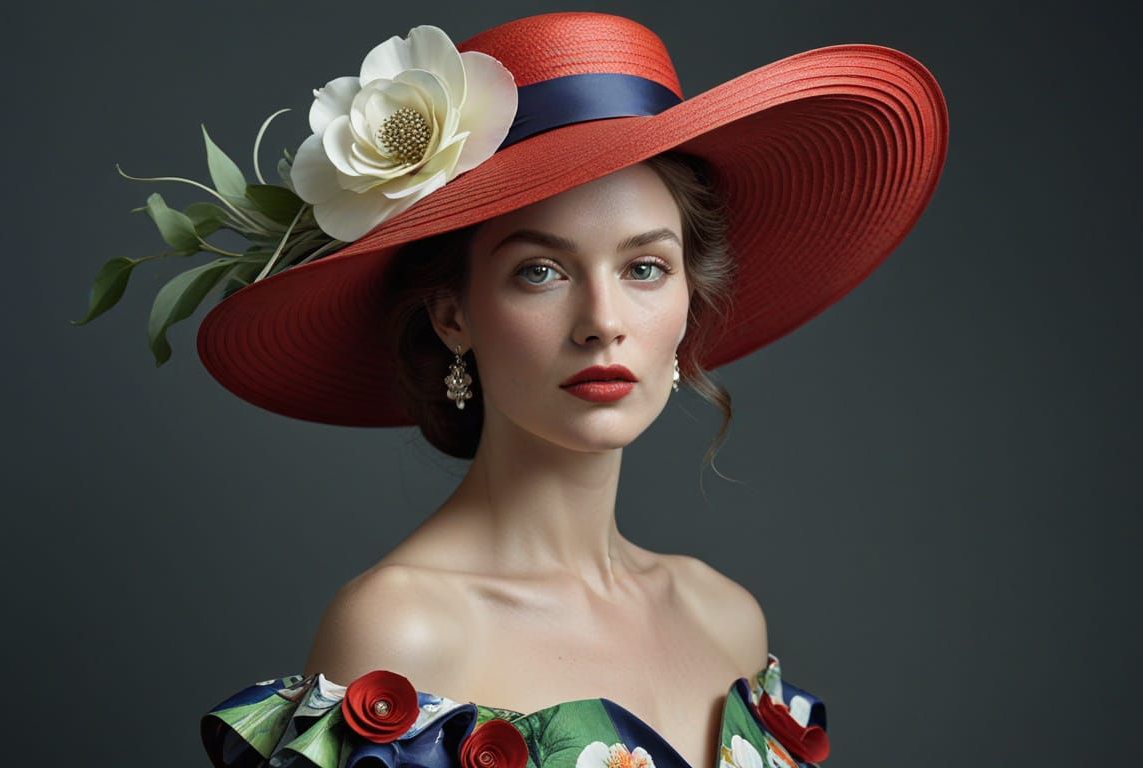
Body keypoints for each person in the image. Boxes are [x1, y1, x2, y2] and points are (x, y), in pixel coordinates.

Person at [96, 11, 948, 768]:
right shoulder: (400, 632)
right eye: (540, 271)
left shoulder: (727, 619)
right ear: (453, 314)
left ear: (689, 304)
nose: (603, 320)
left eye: (645, 267)